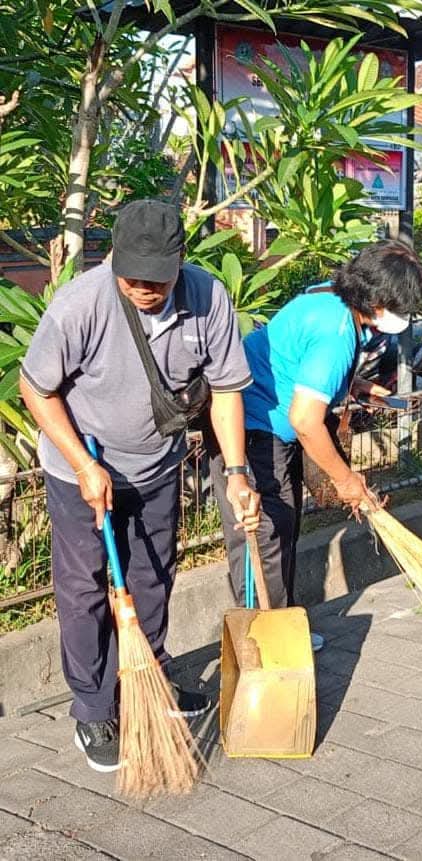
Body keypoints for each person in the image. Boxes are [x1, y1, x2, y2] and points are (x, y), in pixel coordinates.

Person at [19, 199, 259, 773]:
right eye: (132, 277)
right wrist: (83, 465)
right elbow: (36, 389)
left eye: (157, 278)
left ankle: (148, 681)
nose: (145, 288)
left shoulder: (208, 298)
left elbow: (227, 389)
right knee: (83, 587)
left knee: (153, 576)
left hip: (156, 465)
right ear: (114, 259)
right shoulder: (80, 304)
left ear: (180, 262)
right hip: (82, 469)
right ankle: (93, 707)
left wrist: (236, 473)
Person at [207, 240, 422, 641]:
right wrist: (347, 481)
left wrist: (350, 384)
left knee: (280, 531)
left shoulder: (327, 298)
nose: (401, 314)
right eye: (397, 305)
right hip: (253, 434)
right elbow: (306, 421)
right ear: (376, 298)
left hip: (264, 426)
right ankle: (267, 643)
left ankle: (282, 629)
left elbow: (300, 362)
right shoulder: (336, 331)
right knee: (264, 540)